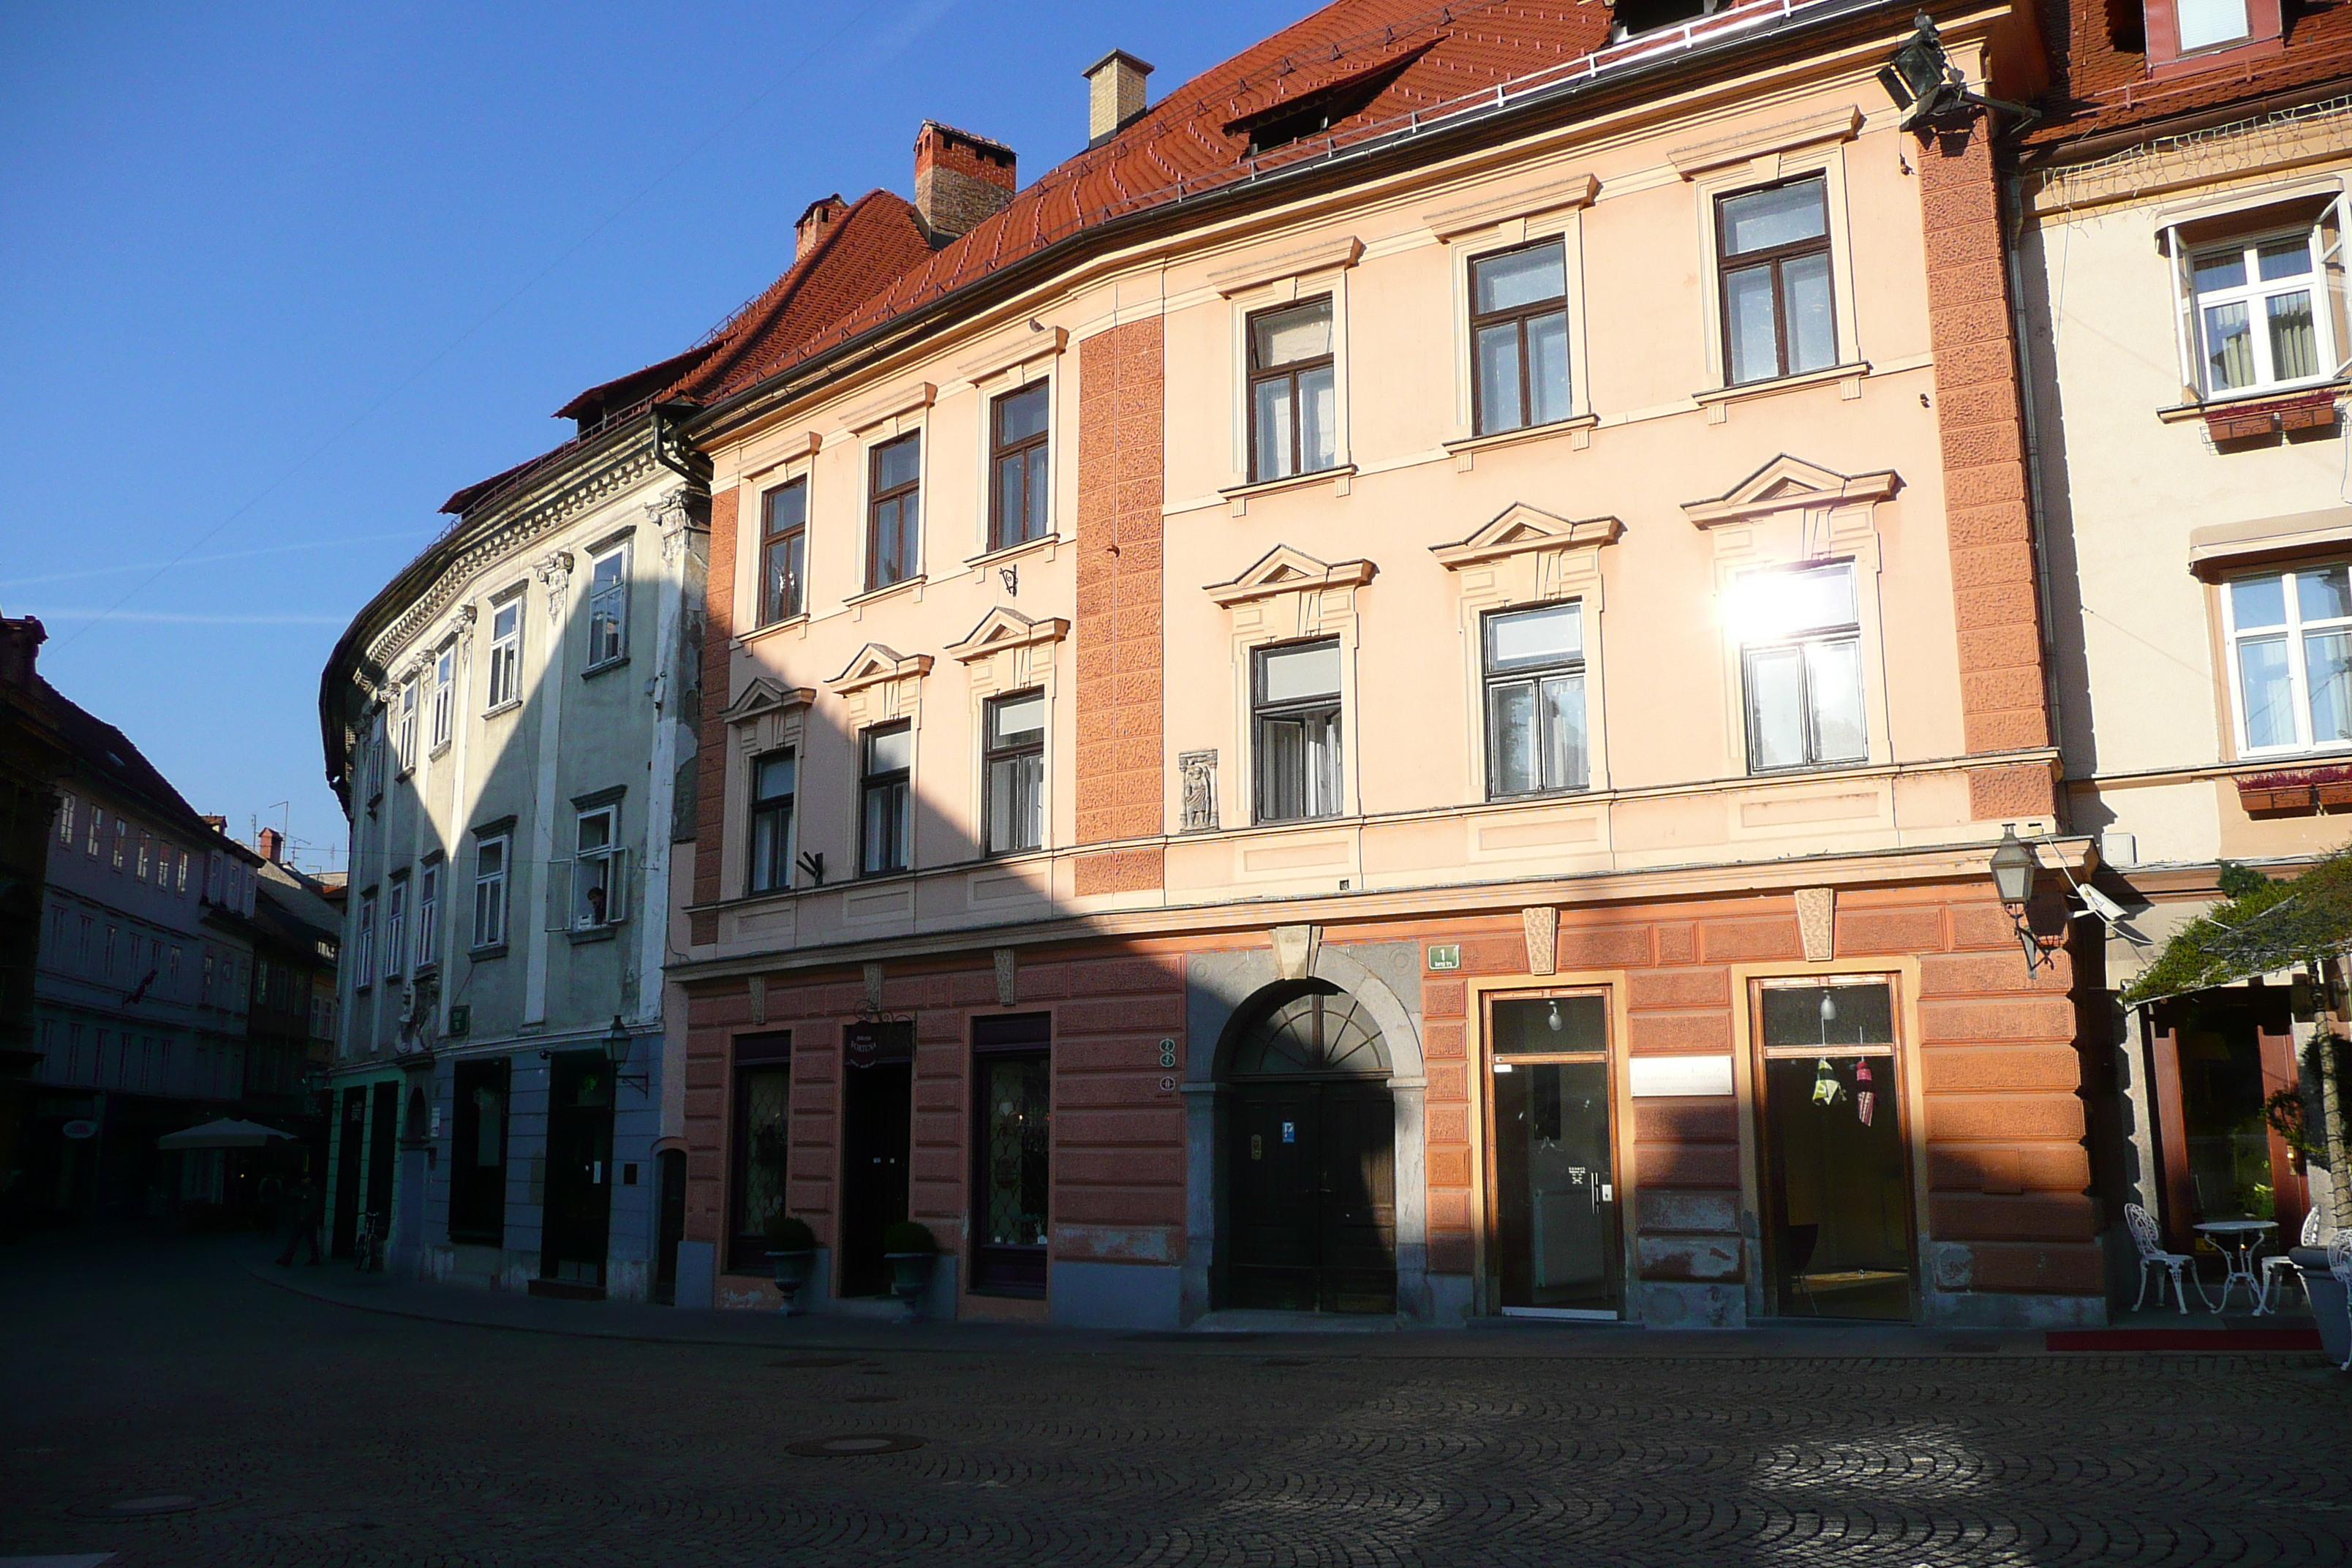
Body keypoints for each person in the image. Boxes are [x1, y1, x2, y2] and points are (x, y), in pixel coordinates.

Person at [276, 1175, 325, 1267]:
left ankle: (288, 1258)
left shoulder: (310, 1190)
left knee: (299, 1239)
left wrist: (303, 1215)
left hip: (306, 1218)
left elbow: (312, 1204)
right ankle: (314, 1258)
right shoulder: (307, 1190)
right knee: (309, 1240)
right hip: (306, 1218)